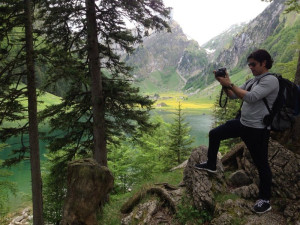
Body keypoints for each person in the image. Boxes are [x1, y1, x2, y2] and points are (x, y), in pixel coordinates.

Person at [194, 49, 279, 214]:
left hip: (258, 130)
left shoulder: (271, 81)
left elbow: (251, 97)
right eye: (249, 65)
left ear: (264, 63)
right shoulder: (253, 80)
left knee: (261, 164)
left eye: (253, 64)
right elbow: (234, 95)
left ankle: (265, 199)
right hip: (243, 123)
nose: (251, 67)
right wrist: (223, 84)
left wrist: (230, 84)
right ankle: (211, 164)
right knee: (215, 134)